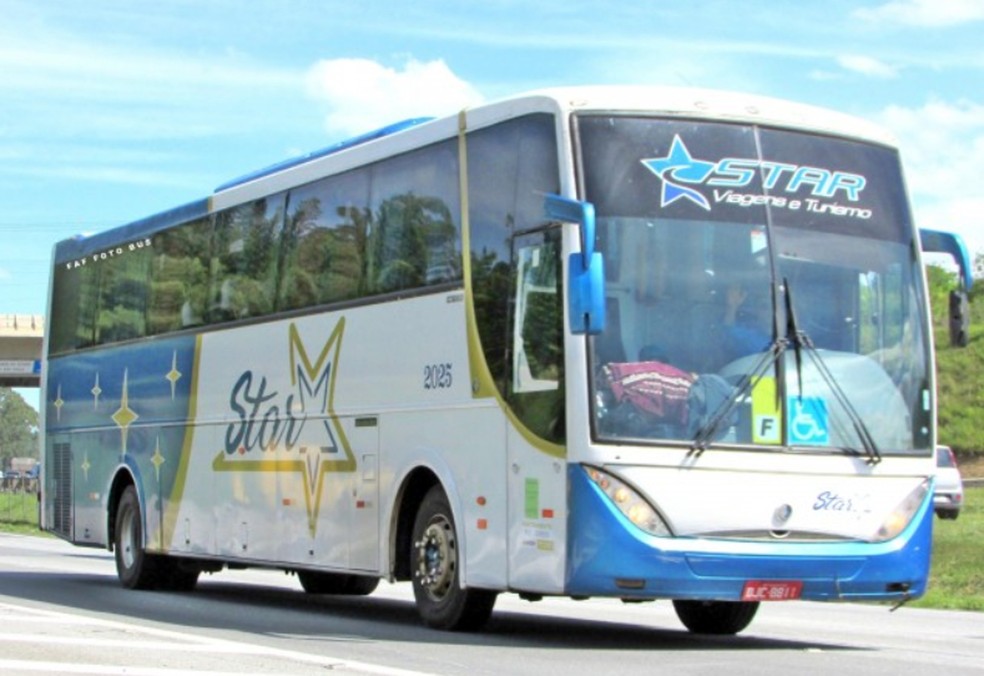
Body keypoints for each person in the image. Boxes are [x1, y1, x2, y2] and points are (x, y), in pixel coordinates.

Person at [722, 282, 772, 362]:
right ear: (756, 311)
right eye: (764, 306)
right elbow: (728, 331)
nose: (771, 310)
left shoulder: (791, 337)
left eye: (774, 306)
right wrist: (732, 307)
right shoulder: (749, 337)